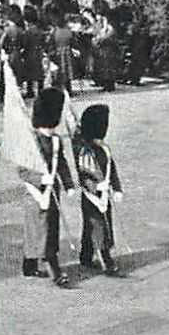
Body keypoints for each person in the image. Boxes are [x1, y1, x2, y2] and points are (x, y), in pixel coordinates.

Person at [19, 87, 75, 286]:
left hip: (53, 192)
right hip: (36, 193)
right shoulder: (31, 142)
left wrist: (68, 184)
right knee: (37, 227)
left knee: (51, 226)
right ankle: (43, 262)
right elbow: (23, 171)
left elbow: (61, 163)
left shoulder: (55, 140)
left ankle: (39, 260)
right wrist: (41, 180)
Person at [73, 103, 125, 274]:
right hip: (91, 195)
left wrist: (116, 188)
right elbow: (84, 175)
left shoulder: (103, 149)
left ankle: (86, 255)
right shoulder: (84, 151)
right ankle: (105, 257)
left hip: (103, 194)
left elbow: (112, 168)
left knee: (96, 225)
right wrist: (96, 186)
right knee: (98, 225)